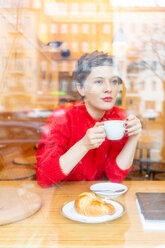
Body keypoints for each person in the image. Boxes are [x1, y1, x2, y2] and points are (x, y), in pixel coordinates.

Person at [36, 51, 142, 188]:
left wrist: (134, 137)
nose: (109, 89)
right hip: (63, 196)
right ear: (81, 88)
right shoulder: (62, 116)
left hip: (98, 196)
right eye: (99, 81)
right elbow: (44, 177)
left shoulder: (118, 117)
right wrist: (84, 145)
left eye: (114, 81)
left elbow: (116, 176)